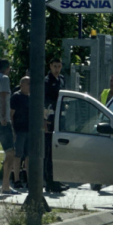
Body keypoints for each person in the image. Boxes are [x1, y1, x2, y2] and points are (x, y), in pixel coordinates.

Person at [44, 58, 67, 193]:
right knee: (50, 152)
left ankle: (57, 179)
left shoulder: (62, 79)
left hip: (60, 117)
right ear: (50, 66)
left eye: (59, 66)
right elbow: (45, 101)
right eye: (54, 66)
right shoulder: (47, 82)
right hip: (50, 118)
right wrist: (45, 119)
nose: (57, 69)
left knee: (58, 151)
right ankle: (50, 181)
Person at [0, 59, 18, 196]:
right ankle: (5, 185)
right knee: (10, 152)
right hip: (2, 122)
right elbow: (3, 97)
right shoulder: (4, 79)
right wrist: (4, 117)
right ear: (6, 68)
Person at [10, 76, 30, 191]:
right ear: (22, 84)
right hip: (19, 130)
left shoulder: (31, 97)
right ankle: (16, 179)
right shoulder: (16, 97)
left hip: (29, 131)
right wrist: (13, 131)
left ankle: (28, 179)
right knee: (18, 156)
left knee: (28, 156)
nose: (29, 86)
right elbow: (11, 114)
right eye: (28, 83)